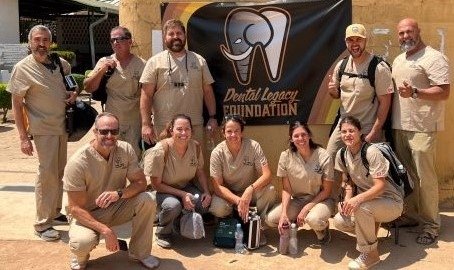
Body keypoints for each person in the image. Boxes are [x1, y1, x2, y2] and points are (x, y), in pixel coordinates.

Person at [7, 24, 78, 241]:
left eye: (45, 40)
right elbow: (16, 105)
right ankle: (41, 224)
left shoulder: (59, 62)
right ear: (29, 43)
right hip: (42, 129)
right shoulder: (22, 68)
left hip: (62, 127)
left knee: (58, 173)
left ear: (51, 42)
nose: (41, 44)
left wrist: (73, 93)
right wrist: (22, 137)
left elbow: (72, 84)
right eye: (37, 40)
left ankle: (54, 213)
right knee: (46, 174)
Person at [63, 112, 159, 269]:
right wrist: (106, 231)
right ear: (95, 132)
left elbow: (140, 183)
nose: (110, 136)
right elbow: (75, 208)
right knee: (81, 243)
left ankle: (140, 253)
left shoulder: (125, 149)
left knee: (147, 199)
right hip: (88, 213)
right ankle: (80, 256)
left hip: (117, 206)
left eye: (114, 131)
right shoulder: (78, 162)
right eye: (104, 131)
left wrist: (119, 194)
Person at [391, 18, 450, 245]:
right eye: (402, 33)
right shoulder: (398, 59)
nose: (405, 36)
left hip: (423, 127)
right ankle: (413, 217)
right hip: (401, 125)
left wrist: (415, 92)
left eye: (409, 31)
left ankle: (431, 225)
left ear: (418, 31)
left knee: (425, 179)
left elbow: (444, 91)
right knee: (409, 178)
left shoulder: (433, 57)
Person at [333, 116, 403, 270]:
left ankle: (371, 255)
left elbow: (380, 186)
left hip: (391, 202)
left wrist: (357, 200)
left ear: (360, 132)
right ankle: (370, 236)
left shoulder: (371, 152)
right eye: (344, 131)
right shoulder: (342, 154)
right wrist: (347, 199)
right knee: (339, 220)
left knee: (361, 208)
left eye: (351, 131)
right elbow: (348, 181)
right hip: (369, 203)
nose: (347, 135)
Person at [139, 19, 218, 148]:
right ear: (165, 38)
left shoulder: (199, 61)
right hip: (165, 126)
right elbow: (146, 95)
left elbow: (208, 91)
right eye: (171, 34)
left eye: (179, 33)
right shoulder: (154, 62)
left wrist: (212, 117)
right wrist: (146, 124)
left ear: (185, 36)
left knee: (195, 164)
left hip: (194, 126)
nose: (176, 37)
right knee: (165, 164)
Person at [142, 114, 212, 248]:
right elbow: (156, 184)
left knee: (203, 205)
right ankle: (163, 232)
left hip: (185, 187)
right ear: (171, 130)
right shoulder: (160, 149)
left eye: (187, 129)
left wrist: (206, 192)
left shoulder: (195, 147)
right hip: (163, 190)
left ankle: (177, 221)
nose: (184, 133)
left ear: (192, 130)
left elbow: (200, 171)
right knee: (173, 206)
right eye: (179, 129)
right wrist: (182, 195)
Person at [209, 114, 276, 244]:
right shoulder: (217, 152)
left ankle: (258, 228)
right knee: (217, 207)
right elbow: (217, 187)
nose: (233, 135)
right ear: (223, 133)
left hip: (250, 194)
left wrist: (249, 190)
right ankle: (231, 223)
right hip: (229, 196)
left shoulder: (253, 146)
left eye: (236, 131)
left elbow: (267, 174)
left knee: (270, 190)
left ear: (242, 132)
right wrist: (238, 201)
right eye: (229, 131)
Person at [265, 121, 334, 245]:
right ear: (291, 139)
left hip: (321, 200)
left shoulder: (323, 156)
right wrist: (285, 213)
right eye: (296, 136)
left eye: (304, 134)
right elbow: (286, 189)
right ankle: (293, 223)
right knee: (271, 219)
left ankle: (322, 229)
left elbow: (327, 191)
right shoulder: (286, 156)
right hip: (298, 200)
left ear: (309, 136)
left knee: (313, 219)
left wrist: (306, 209)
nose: (300, 138)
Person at [84, 26, 146, 156]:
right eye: (113, 40)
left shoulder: (141, 64)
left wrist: (147, 123)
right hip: (111, 122)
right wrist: (102, 70)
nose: (116, 42)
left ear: (130, 41)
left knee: (132, 158)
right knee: (109, 156)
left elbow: (148, 94)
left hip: (134, 122)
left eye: (121, 39)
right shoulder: (104, 61)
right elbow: (88, 87)